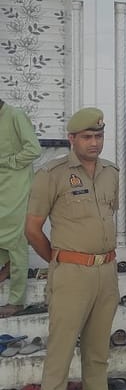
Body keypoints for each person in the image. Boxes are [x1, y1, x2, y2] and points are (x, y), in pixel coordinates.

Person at [25, 108, 126, 390]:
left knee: (97, 355)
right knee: (58, 361)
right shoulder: (51, 174)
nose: (94, 142)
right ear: (72, 139)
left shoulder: (110, 174)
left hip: (106, 272)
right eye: (87, 136)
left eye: (98, 136)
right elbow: (33, 229)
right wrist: (59, 259)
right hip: (70, 273)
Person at [0, 100, 41, 317]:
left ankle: (16, 300)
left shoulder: (15, 115)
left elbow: (34, 149)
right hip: (2, 187)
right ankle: (6, 268)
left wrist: (8, 162)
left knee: (16, 239)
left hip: (17, 187)